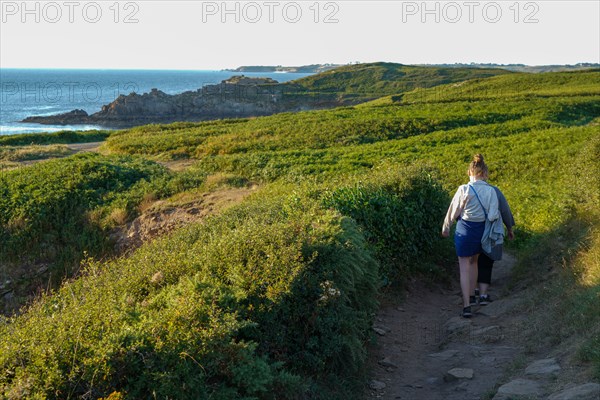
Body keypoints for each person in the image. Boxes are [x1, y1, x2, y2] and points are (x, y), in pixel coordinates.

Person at [442, 154, 500, 318]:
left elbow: (453, 211)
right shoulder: (491, 191)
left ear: (470, 172)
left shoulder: (464, 189)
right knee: (474, 262)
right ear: (485, 173)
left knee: (463, 268)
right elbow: (493, 215)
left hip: (464, 230)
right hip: (481, 231)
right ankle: (474, 298)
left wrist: (446, 227)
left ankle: (467, 305)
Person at [476, 177, 515, 305]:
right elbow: (505, 210)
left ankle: (472, 291)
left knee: (472, 262)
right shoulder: (494, 191)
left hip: (472, 231)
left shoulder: (466, 189)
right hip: (490, 232)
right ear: (485, 175)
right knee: (486, 262)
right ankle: (483, 295)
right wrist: (509, 227)